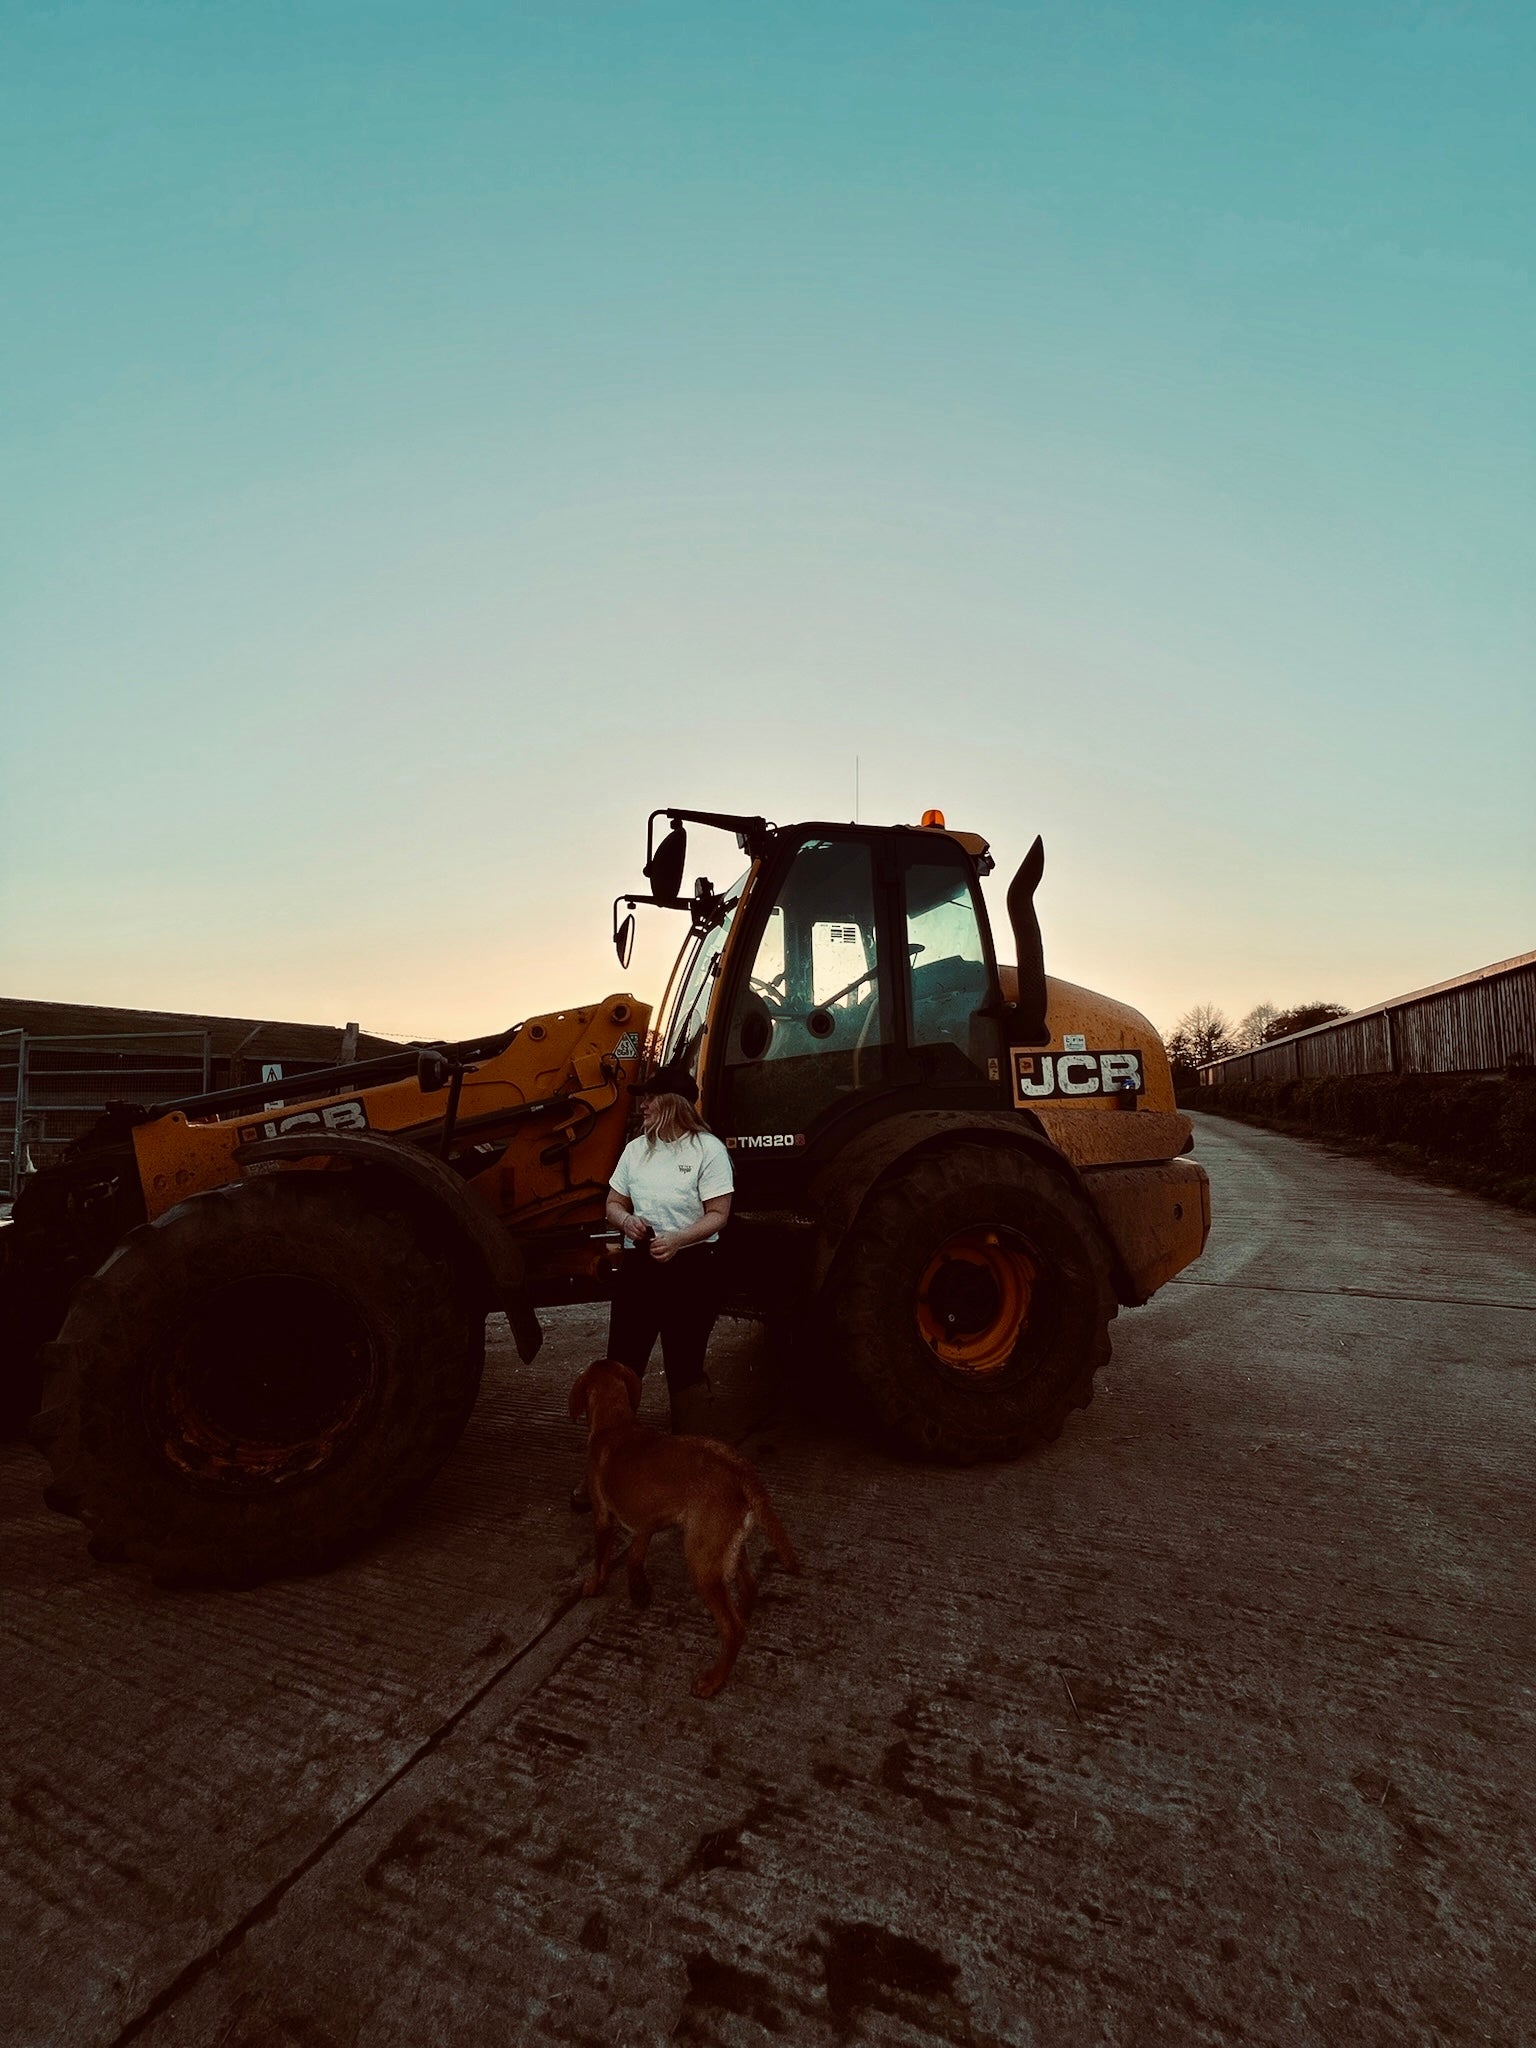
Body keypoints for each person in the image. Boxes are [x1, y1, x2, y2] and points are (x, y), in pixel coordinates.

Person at [570, 1063, 734, 1509]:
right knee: (620, 1370)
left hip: (693, 1269)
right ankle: (600, 1476)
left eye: (650, 1098)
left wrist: (679, 1240)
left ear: (674, 1104)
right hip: (641, 1267)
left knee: (685, 1368)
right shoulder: (635, 1150)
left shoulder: (708, 1150)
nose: (642, 1105)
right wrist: (626, 1221)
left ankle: (695, 1474)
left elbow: (719, 1214)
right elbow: (612, 1202)